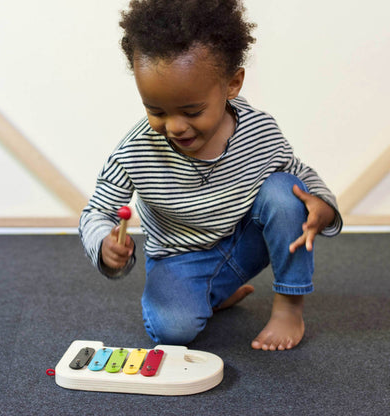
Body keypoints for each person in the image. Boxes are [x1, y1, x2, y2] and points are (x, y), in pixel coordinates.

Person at [79, 0, 342, 351]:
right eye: (155, 110)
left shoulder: (259, 130)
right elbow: (96, 213)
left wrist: (322, 206)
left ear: (232, 84)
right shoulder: (134, 151)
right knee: (170, 331)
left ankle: (289, 306)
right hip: (178, 257)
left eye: (192, 110)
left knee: (285, 192)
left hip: (245, 242)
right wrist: (104, 245)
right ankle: (215, 291)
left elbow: (300, 174)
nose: (174, 126)